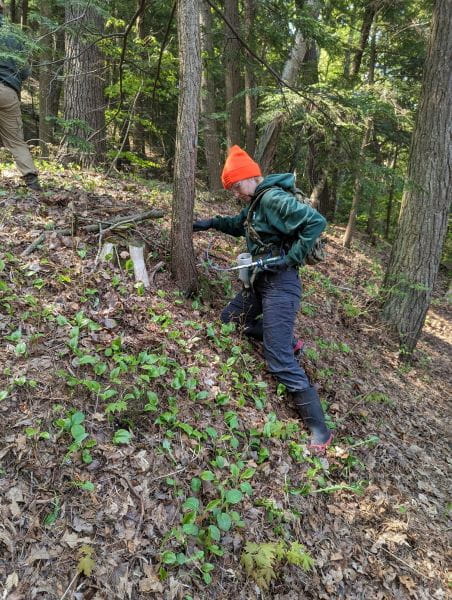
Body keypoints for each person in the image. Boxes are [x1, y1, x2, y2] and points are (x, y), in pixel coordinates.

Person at [194, 145, 333, 453]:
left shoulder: (272, 198)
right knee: (229, 322)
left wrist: (290, 259)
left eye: (235, 185)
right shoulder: (256, 204)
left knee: (278, 360)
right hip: (260, 282)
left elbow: (316, 222)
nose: (234, 192)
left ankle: (320, 430)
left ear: (249, 178)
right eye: (230, 188)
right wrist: (207, 223)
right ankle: (286, 341)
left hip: (281, 284)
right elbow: (238, 224)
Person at [0, 1, 41, 191]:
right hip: (8, 92)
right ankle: (32, 181)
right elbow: (25, 71)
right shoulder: (15, 34)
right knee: (16, 140)